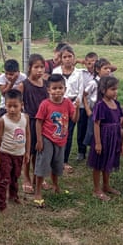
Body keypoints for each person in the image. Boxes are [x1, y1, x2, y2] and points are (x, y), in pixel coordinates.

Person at [33, 74, 80, 208]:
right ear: (48, 90)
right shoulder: (45, 104)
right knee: (42, 165)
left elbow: (75, 119)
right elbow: (38, 122)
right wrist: (39, 140)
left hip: (61, 140)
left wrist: (77, 109)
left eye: (60, 88)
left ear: (65, 89)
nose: (57, 91)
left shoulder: (67, 103)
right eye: (54, 88)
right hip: (47, 138)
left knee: (57, 165)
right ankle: (38, 192)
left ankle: (55, 186)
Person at [87, 76, 123, 201]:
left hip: (114, 138)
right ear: (103, 90)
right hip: (103, 137)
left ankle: (106, 185)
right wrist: (98, 143)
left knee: (109, 161)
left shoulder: (116, 103)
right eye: (112, 89)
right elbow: (96, 124)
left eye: (116, 89)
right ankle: (97, 189)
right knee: (98, 163)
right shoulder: (100, 105)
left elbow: (120, 119)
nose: (115, 92)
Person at [17, 54, 50, 194]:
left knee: (39, 151)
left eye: (42, 67)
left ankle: (38, 176)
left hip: (43, 122)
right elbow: (17, 103)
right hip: (29, 122)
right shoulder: (23, 85)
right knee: (28, 152)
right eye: (36, 67)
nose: (40, 70)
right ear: (30, 68)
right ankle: (26, 178)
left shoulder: (46, 85)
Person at [0, 89, 31, 212]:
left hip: (19, 154)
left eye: (15, 106)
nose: (12, 109)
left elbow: (28, 135)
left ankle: (14, 196)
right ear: (5, 105)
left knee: (15, 176)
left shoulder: (25, 118)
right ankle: (1, 204)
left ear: (22, 105)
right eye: (9, 106)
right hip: (6, 153)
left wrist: (27, 152)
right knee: (4, 179)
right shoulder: (2, 120)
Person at [52, 45, 84, 173]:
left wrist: (76, 105)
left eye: (70, 56)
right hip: (58, 104)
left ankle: (64, 160)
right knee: (56, 130)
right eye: (64, 57)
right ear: (60, 58)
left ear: (74, 57)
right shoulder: (56, 72)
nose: (67, 59)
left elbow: (80, 90)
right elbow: (52, 88)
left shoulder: (79, 73)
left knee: (68, 132)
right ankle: (55, 158)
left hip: (72, 105)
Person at [82, 58, 114, 147]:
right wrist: (88, 109)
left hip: (106, 111)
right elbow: (84, 95)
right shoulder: (93, 83)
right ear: (97, 70)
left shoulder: (109, 83)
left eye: (109, 69)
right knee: (92, 132)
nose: (108, 70)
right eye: (105, 68)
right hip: (95, 111)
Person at [76, 52, 98, 161]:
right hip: (83, 106)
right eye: (88, 63)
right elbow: (72, 64)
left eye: (94, 62)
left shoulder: (101, 73)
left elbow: (113, 67)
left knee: (95, 129)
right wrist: (82, 61)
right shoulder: (81, 72)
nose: (91, 65)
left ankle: (93, 150)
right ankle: (81, 151)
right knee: (82, 128)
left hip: (96, 107)